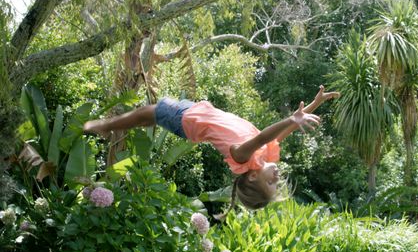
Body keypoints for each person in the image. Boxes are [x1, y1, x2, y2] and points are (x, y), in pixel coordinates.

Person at [83, 85, 340, 219]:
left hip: (188, 119)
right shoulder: (265, 157)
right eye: (278, 181)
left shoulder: (241, 159)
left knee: (149, 112)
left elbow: (264, 135)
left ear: (252, 177)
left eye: (271, 182)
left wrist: (292, 120)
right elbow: (278, 136)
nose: (277, 177)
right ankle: (112, 126)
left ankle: (106, 126)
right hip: (197, 113)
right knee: (149, 116)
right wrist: (312, 106)